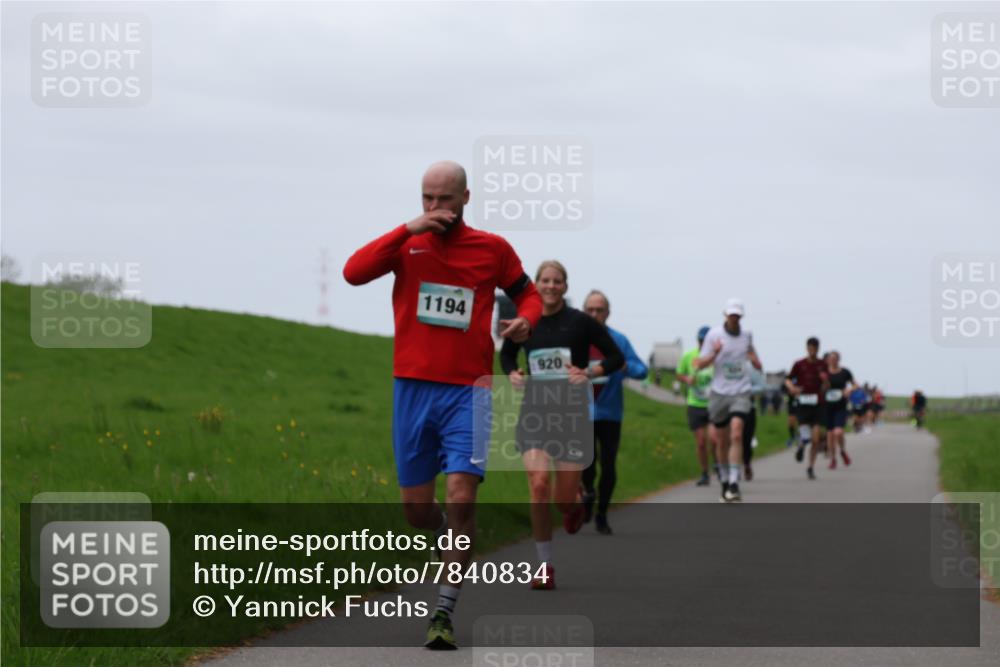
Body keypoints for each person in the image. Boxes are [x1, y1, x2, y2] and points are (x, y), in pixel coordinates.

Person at [343, 161, 542, 650]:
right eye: (427, 198)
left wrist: (527, 321)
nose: (435, 208)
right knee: (416, 511)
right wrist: (405, 229)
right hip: (412, 388)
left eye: (445, 200)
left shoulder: (492, 249)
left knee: (461, 496)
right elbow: (352, 273)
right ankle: (442, 537)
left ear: (466, 198)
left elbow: (528, 295)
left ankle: (443, 611)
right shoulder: (407, 245)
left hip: (469, 390)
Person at [500, 261, 623, 589]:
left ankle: (577, 499)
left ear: (565, 287)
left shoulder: (580, 322)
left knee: (562, 500)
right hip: (534, 415)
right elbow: (508, 354)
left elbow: (615, 358)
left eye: (557, 281)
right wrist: (512, 373)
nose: (551, 286)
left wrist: (589, 372)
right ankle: (544, 566)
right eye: (545, 280)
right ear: (536, 284)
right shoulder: (526, 321)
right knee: (539, 485)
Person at [581, 289, 648, 534]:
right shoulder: (578, 338)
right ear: (583, 311)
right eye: (590, 309)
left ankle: (602, 514)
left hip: (610, 414)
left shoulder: (618, 341)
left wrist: (624, 366)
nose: (595, 314)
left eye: (599, 310)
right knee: (586, 465)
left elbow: (642, 370)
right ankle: (588, 494)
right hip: (581, 413)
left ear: (608, 313)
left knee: (608, 465)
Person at [692, 298, 763, 503]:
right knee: (721, 441)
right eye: (731, 314)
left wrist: (755, 361)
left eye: (737, 315)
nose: (734, 318)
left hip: (741, 391)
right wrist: (715, 353)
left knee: (737, 433)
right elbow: (699, 364)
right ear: (725, 315)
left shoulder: (747, 336)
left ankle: (733, 481)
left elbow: (757, 363)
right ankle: (724, 479)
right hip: (719, 393)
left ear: (741, 316)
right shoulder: (714, 335)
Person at [785, 337, 829, 480]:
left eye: (815, 348)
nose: (812, 351)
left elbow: (826, 387)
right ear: (807, 348)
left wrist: (825, 381)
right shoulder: (799, 364)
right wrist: (792, 388)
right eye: (810, 348)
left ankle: (810, 467)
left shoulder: (823, 364)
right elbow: (788, 379)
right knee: (806, 436)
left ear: (818, 349)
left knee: (816, 439)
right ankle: (802, 446)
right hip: (803, 402)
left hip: (817, 403)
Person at [677, 326, 715, 486]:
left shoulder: (716, 357)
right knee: (700, 442)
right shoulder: (689, 356)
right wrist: (687, 380)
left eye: (706, 341)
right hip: (695, 403)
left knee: (715, 440)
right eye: (700, 341)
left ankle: (719, 465)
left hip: (714, 403)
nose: (702, 344)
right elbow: (679, 373)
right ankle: (705, 473)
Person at [824, 351, 855, 469]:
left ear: (838, 360)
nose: (832, 360)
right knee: (830, 435)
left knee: (838, 432)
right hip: (827, 407)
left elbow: (855, 385)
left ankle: (842, 450)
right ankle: (833, 459)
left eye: (835, 358)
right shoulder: (824, 373)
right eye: (830, 358)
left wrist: (849, 390)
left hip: (840, 406)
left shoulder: (845, 372)